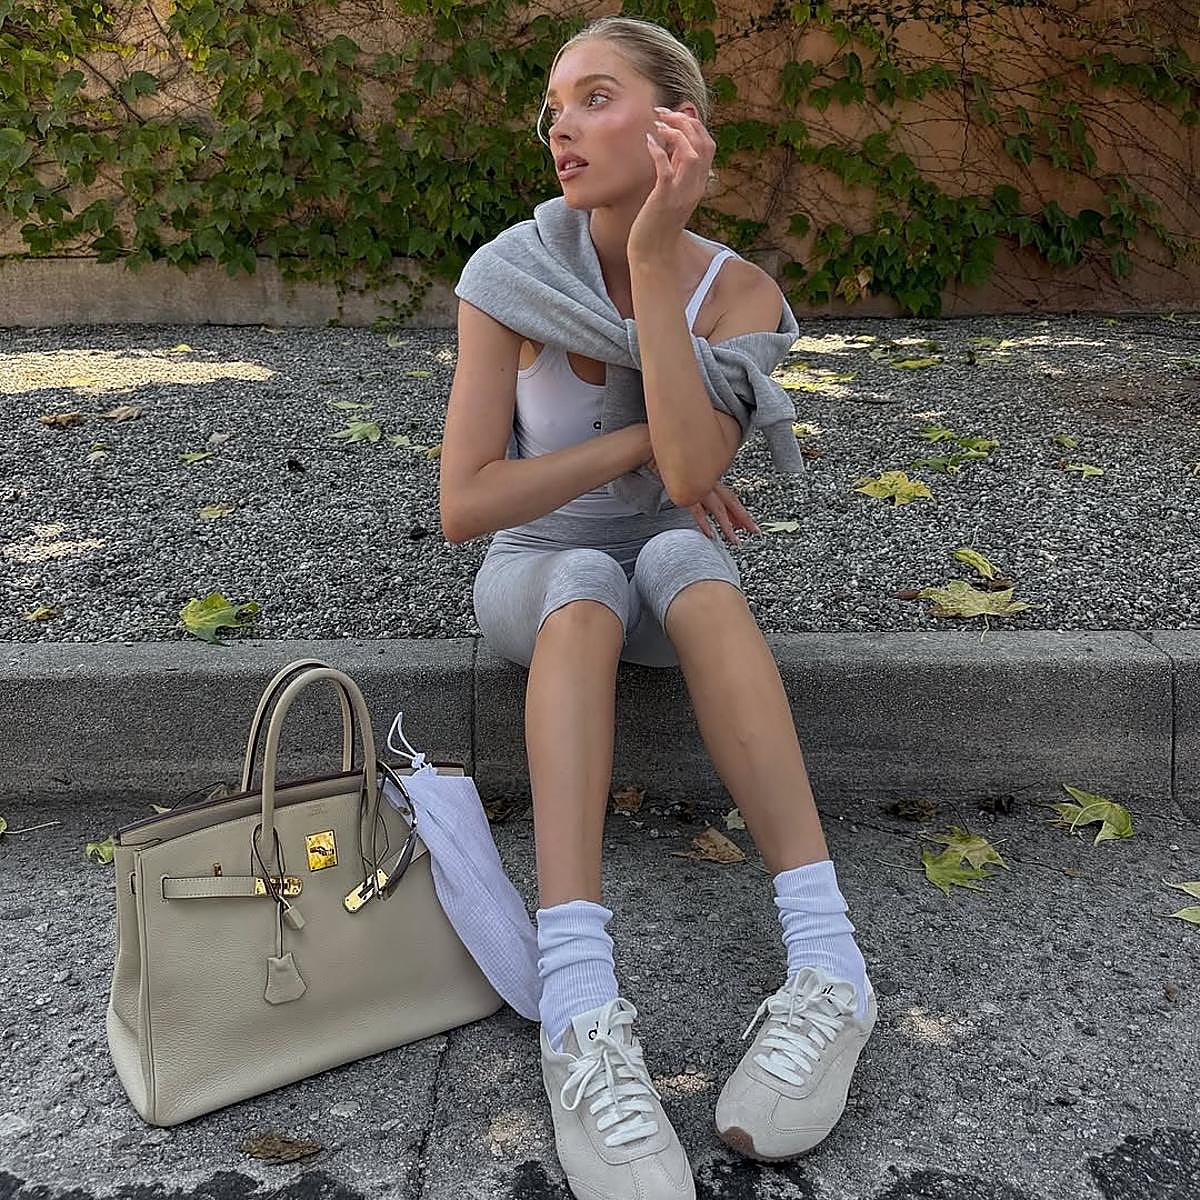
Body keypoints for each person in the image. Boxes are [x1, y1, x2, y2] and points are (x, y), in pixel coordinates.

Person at [438, 15, 877, 1198]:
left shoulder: (740, 293)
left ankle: (831, 964)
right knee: (591, 577)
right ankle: (579, 1003)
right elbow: (467, 503)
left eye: (596, 98)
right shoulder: (510, 275)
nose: (562, 128)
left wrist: (653, 249)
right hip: (538, 572)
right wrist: (632, 442)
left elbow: (692, 475)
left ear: (675, 124)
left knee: (689, 555)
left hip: (668, 578)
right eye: (554, 107)